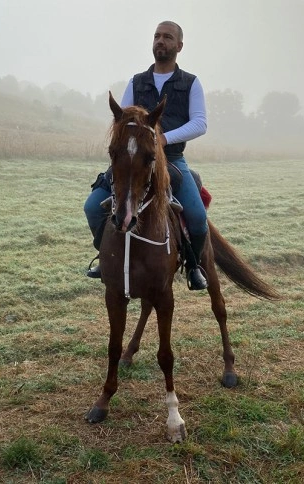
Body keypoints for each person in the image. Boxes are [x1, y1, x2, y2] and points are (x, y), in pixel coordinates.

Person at [84, 20, 209, 290]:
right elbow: (122, 118)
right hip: (132, 160)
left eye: (167, 37)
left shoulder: (190, 83)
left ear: (179, 46)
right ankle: (105, 258)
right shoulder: (136, 81)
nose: (160, 41)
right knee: (92, 207)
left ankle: (192, 264)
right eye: (156, 36)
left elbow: (200, 123)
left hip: (172, 159)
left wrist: (163, 138)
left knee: (198, 217)